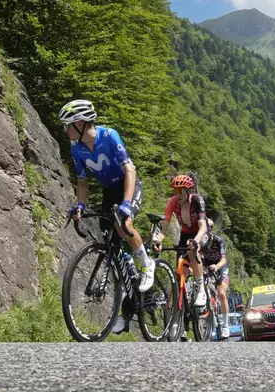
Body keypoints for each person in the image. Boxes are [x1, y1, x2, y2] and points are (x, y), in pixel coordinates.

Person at [60, 99, 155, 334]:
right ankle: (123, 310)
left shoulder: (109, 135)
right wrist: (80, 204)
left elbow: (129, 169)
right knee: (113, 251)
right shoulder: (76, 147)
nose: (65, 130)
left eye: (67, 125)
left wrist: (125, 203)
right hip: (108, 192)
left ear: (80, 123)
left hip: (128, 186)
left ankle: (147, 262)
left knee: (124, 223)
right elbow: (82, 180)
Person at [154, 174, 208, 308]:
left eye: (181, 191)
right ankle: (181, 310)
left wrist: (196, 241)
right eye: (175, 191)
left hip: (200, 234)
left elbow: (203, 226)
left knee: (192, 248)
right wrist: (159, 241)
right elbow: (165, 224)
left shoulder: (197, 200)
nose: (177, 194)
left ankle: (201, 289)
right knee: (180, 271)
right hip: (185, 234)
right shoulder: (172, 202)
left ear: (188, 191)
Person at [201, 218, 231, 339]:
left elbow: (224, 259)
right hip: (207, 266)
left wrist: (217, 266)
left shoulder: (219, 240)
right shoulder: (201, 241)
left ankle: (225, 326)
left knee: (222, 293)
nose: (209, 231)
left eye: (210, 228)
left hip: (221, 267)